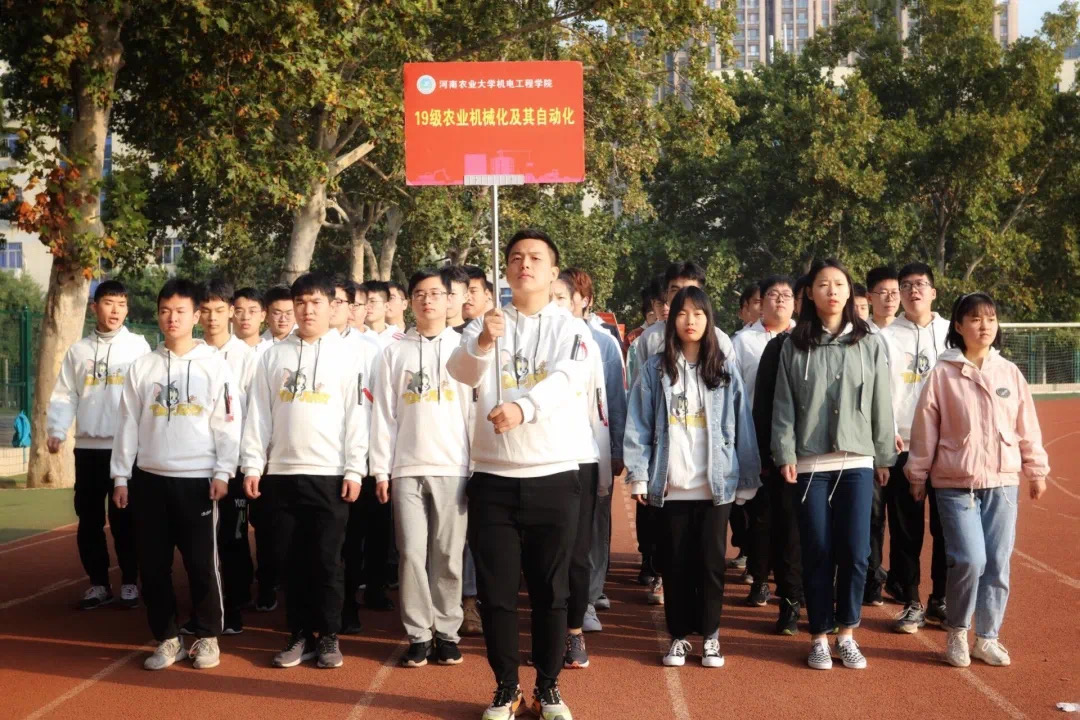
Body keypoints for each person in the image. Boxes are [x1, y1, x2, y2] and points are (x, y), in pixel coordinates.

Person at [447, 228, 590, 720]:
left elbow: (568, 379)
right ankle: (506, 688)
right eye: (515, 258)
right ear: (506, 270)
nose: (524, 265)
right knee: (497, 594)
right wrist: (484, 341)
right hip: (493, 477)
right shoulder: (486, 323)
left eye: (535, 258)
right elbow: (460, 373)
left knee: (552, 592)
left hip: (553, 474)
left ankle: (548, 687)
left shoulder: (571, 328)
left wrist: (523, 409)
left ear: (553, 272)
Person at [905, 292, 1049, 668]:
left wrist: (1035, 469)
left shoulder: (1009, 373)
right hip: (955, 482)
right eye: (975, 319)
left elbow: (1027, 426)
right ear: (958, 326)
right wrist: (917, 473)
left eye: (991, 318)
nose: (985, 326)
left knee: (997, 562)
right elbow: (925, 429)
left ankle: (987, 637)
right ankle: (957, 630)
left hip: (1002, 482)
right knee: (969, 559)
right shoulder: (943, 374)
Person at [241, 272, 376, 670]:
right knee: (290, 560)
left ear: (332, 306)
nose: (307, 310)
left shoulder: (349, 356)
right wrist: (253, 464)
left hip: (330, 473)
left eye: (315, 302)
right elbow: (258, 416)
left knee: (327, 560)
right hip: (281, 473)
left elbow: (357, 417)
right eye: (300, 302)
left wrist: (354, 470)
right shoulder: (272, 356)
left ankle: (329, 634)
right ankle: (299, 633)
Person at [624, 286, 761, 669]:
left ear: (708, 320)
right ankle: (679, 636)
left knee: (711, 566)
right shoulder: (655, 370)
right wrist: (639, 475)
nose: (690, 321)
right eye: (682, 313)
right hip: (672, 487)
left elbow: (742, 424)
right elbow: (639, 424)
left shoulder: (723, 369)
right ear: (672, 320)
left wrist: (746, 478)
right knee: (675, 566)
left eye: (698, 314)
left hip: (714, 486)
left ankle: (711, 636)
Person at [772, 258, 896, 671]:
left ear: (849, 291)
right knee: (818, 550)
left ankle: (847, 633)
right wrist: (785, 453)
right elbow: (783, 405)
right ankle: (820, 636)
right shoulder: (795, 344)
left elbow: (881, 402)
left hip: (857, 459)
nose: (832, 291)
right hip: (811, 464)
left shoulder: (869, 342)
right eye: (823, 284)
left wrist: (884, 455)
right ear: (810, 293)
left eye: (839, 284)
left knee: (857, 552)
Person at [111, 278, 240, 671]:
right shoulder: (143, 366)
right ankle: (167, 639)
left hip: (198, 481)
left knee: (201, 564)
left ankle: (207, 636)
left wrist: (223, 471)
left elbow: (227, 422)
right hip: (149, 479)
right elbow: (128, 423)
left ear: (196, 316)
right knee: (153, 567)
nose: (172, 318)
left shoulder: (215, 366)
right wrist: (121, 476)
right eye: (165, 310)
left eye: (181, 311)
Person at [369, 268, 473, 668]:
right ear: (410, 301)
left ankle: (447, 631)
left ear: (449, 300)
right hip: (406, 467)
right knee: (411, 552)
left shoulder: (465, 349)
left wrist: (475, 467)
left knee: (448, 553)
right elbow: (384, 416)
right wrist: (382, 470)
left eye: (435, 294)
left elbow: (473, 414)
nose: (427, 301)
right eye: (420, 294)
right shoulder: (393, 353)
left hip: (454, 466)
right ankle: (418, 633)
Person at [632, 262, 737, 601]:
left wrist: (743, 471)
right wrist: (640, 470)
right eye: (676, 293)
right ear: (667, 299)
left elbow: (734, 411)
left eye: (695, 305)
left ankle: (707, 625)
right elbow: (640, 407)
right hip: (667, 466)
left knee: (708, 559)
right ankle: (656, 572)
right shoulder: (650, 343)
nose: (689, 317)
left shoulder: (722, 346)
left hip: (709, 472)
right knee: (669, 549)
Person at [47, 280, 151, 610]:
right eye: (108, 303)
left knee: (125, 520)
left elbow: (147, 396)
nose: (115, 310)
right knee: (89, 520)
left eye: (121, 304)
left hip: (126, 449)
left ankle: (130, 582)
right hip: (88, 450)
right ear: (95, 308)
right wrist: (57, 429)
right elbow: (66, 394)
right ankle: (98, 584)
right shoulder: (78, 351)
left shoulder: (138, 347)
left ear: (127, 309)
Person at [549, 271, 615, 670]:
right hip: (538, 463)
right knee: (545, 557)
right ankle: (547, 634)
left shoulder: (587, 342)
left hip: (580, 462)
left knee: (576, 554)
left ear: (577, 302)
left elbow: (599, 408)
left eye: (561, 297)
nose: (555, 304)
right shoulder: (524, 338)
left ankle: (573, 633)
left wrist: (604, 472)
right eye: (550, 297)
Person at [880, 262, 950, 632]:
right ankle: (911, 600)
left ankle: (941, 598)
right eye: (905, 285)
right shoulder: (885, 336)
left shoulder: (951, 333)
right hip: (903, 444)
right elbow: (878, 391)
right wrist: (888, 431)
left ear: (933, 292)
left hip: (947, 447)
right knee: (906, 528)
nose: (913, 291)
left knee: (946, 527)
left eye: (920, 284)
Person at [191, 279, 258, 637]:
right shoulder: (191, 354)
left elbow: (253, 413)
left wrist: (247, 462)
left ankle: (234, 606)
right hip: (196, 464)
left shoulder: (247, 357)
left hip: (234, 465)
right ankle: (204, 608)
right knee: (200, 542)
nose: (212, 318)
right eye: (206, 311)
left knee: (232, 537)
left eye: (219, 310)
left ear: (231, 312)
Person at [731, 275, 796, 607]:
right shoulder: (743, 341)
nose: (780, 300)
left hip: (797, 440)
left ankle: (789, 583)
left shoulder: (804, 338)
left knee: (792, 515)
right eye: (773, 294)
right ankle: (759, 578)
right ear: (761, 302)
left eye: (786, 295)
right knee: (761, 513)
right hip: (756, 435)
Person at [751, 275, 809, 635]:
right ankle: (789, 602)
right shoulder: (780, 347)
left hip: (834, 458)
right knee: (788, 533)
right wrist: (765, 456)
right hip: (786, 458)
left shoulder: (848, 343)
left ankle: (822, 601)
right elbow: (764, 406)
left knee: (825, 536)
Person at [365, 281, 403, 349]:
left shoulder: (401, 340)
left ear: (386, 306)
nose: (367, 306)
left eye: (372, 301)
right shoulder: (352, 337)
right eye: (364, 302)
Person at [866, 266, 900, 332]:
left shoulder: (909, 332)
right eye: (883, 293)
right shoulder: (858, 334)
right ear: (869, 298)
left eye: (894, 292)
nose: (890, 298)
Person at [442, 265, 472, 333]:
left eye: (452, 294)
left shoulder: (474, 332)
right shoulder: (424, 332)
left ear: (465, 297)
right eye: (442, 293)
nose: (447, 299)